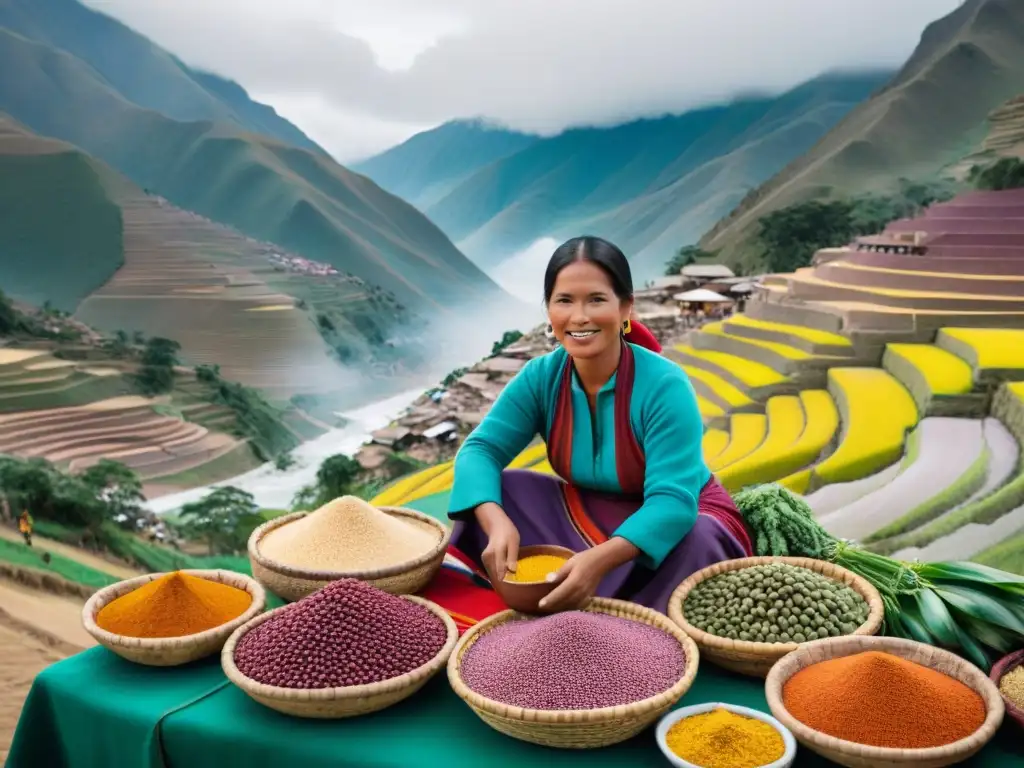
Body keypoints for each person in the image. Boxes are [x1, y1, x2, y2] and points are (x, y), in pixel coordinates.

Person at [446, 236, 752, 615]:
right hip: (586, 511)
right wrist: (496, 522)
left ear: (625, 307)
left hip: (673, 516)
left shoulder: (664, 385)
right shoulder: (540, 377)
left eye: (596, 299)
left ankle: (629, 616)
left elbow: (672, 501)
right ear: (549, 311)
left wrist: (600, 561)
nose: (579, 317)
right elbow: (482, 450)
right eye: (564, 301)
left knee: (697, 540)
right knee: (505, 489)